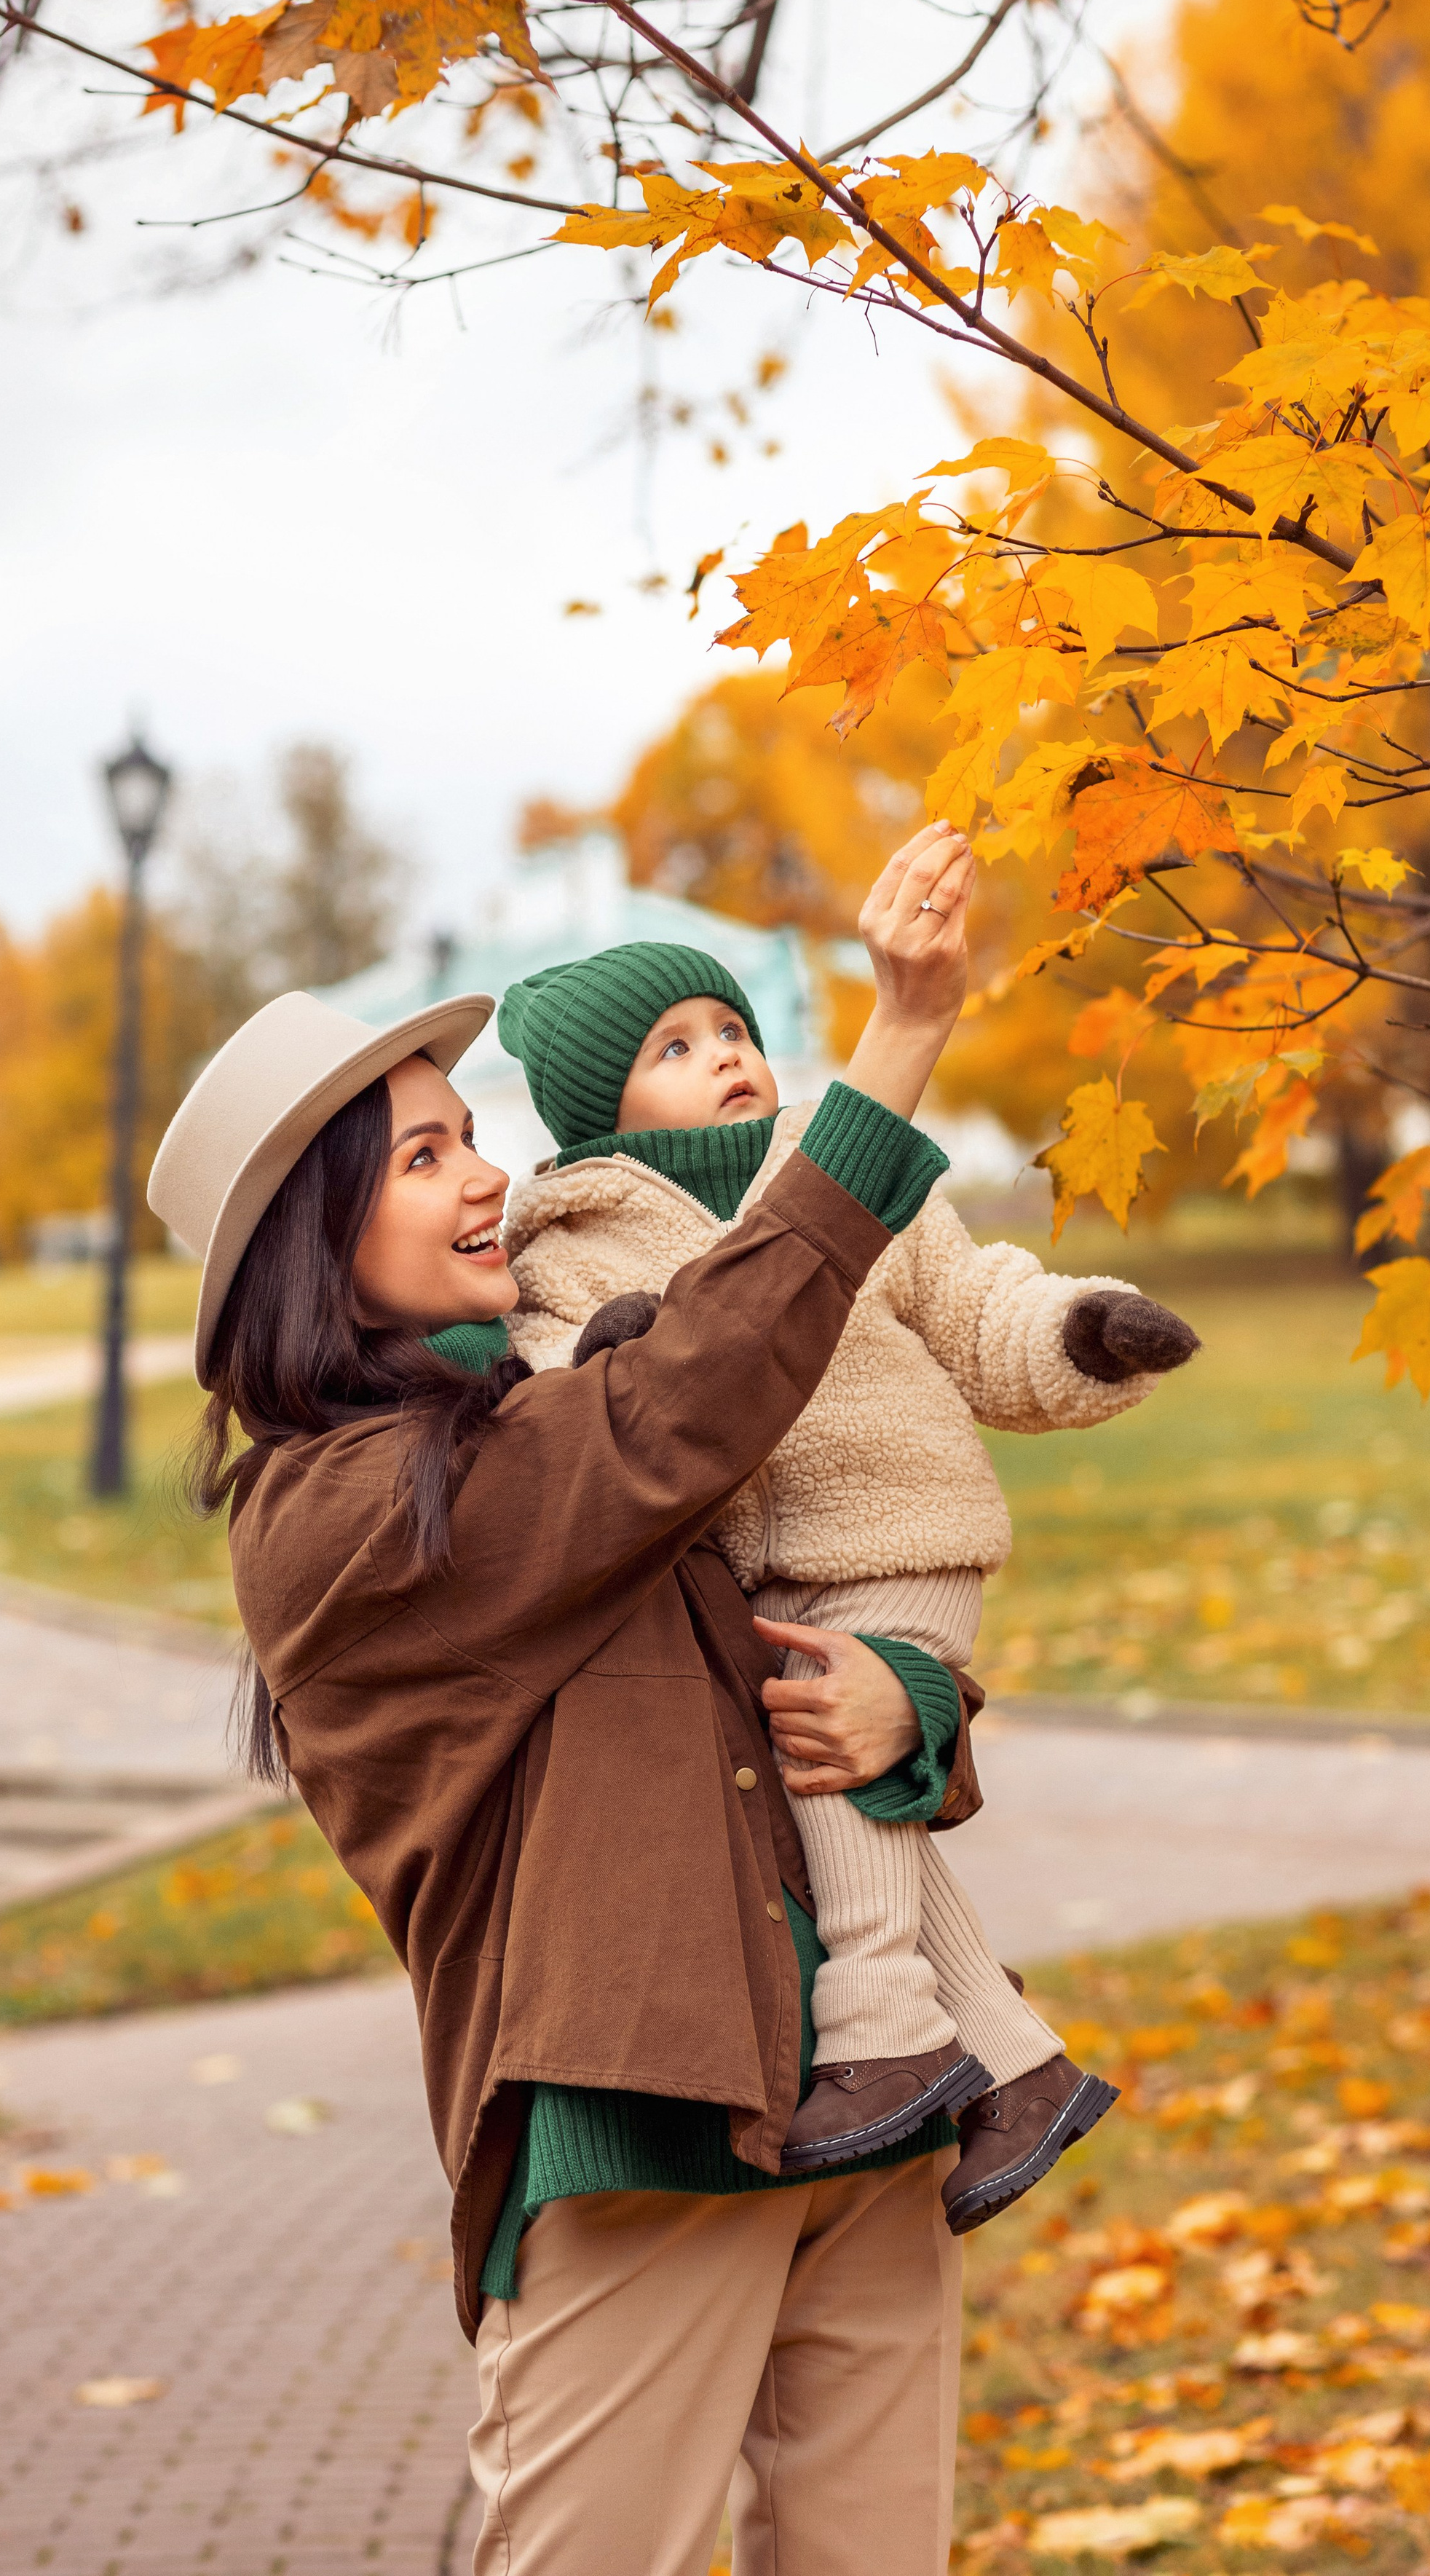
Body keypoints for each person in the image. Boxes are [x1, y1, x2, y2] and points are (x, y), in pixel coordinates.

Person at [147, 930, 980, 2573]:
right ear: (316, 1239)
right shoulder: (335, 1513)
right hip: (636, 2125)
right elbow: (688, 1403)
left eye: (474, 1132)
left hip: (857, 2102)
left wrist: (912, 1717)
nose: (488, 1177)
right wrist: (894, 1045)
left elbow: (791, 1654)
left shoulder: (549, 1401)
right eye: (425, 1153)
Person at [497, 828, 1200, 2232]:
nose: (728, 1056)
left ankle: (883, 2031)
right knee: (846, 1786)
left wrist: (1083, 1334)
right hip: (770, 1569)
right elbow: (567, 1385)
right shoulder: (563, 1247)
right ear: (596, 1109)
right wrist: (613, 1352)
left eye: (734, 1029)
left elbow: (978, 1301)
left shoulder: (852, 1165)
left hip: (898, 1528)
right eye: (678, 1046)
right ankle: (1019, 2071)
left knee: (826, 1754)